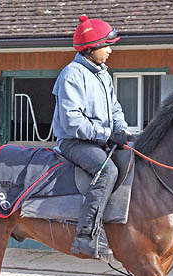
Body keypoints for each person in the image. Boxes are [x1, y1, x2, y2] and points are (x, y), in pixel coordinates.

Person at [52, 15, 132, 261]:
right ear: (90, 48)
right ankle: (86, 235)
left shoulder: (103, 75)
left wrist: (124, 132)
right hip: (74, 143)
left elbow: (115, 109)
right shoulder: (72, 75)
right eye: (106, 46)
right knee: (106, 171)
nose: (109, 50)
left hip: (99, 140)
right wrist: (107, 134)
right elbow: (72, 121)